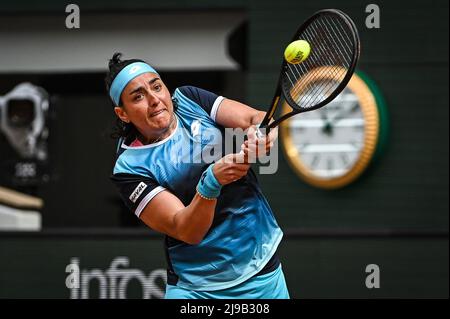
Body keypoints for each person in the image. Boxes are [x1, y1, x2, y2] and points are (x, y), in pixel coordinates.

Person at [107, 52, 289, 299]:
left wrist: (262, 134)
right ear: (123, 114)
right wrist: (211, 182)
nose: (154, 99)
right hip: (196, 289)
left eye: (157, 87)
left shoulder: (189, 99)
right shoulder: (129, 168)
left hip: (262, 271)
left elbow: (253, 118)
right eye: (138, 96)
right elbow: (186, 230)